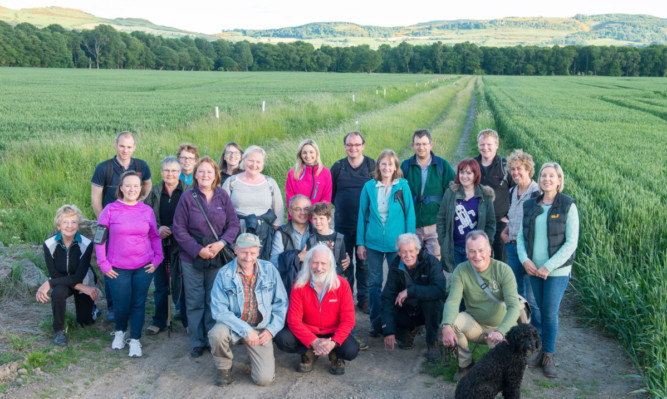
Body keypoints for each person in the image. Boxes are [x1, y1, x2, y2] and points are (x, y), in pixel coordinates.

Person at [173, 156, 241, 358]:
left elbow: (234, 224)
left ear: (215, 175)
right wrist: (197, 250)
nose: (205, 175)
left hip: (217, 255)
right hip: (191, 256)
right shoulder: (187, 197)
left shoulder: (222, 196)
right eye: (201, 171)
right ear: (195, 175)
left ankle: (213, 338)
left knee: (214, 300)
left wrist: (221, 243)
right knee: (194, 300)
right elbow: (179, 229)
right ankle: (196, 341)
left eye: (209, 172)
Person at [517, 162, 579, 378]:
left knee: (550, 313)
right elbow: (521, 237)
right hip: (534, 269)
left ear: (559, 180)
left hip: (557, 271)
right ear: (540, 179)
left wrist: (548, 266)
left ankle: (549, 356)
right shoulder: (530, 205)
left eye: (552, 176)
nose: (547, 179)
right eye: (544, 175)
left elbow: (571, 243)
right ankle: (540, 351)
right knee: (538, 310)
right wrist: (525, 260)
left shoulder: (568, 205)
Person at [95, 171, 163, 358]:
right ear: (121, 188)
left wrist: (157, 259)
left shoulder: (146, 211)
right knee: (121, 303)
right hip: (117, 267)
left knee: (138, 303)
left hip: (143, 266)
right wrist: (104, 264)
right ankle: (119, 332)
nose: (132, 189)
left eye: (136, 185)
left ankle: (135, 339)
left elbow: (155, 237)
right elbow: (99, 239)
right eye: (128, 185)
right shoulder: (110, 209)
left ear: (141, 189)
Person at [209, 233, 288, 386]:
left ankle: (254, 354)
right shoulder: (224, 274)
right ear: (236, 250)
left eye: (252, 253)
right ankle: (224, 367)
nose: (248, 257)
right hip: (233, 326)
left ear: (258, 252)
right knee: (217, 333)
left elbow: (281, 304)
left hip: (260, 329)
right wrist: (246, 330)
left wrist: (271, 330)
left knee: (263, 380)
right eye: (244, 252)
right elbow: (219, 310)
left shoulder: (269, 270)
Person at [441, 231, 519, 382]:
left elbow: (514, 307)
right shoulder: (461, 270)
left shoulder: (503, 270)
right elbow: (452, 301)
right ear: (466, 252)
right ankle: (466, 365)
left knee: (502, 374)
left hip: (500, 329)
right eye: (472, 251)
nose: (477, 256)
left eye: (481, 250)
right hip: (475, 325)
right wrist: (446, 325)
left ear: (489, 250)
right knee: (453, 322)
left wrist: (500, 332)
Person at [90, 131, 152, 321]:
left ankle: (133, 305)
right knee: (111, 267)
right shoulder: (104, 168)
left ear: (134, 147)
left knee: (135, 265)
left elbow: (148, 184)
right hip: (112, 227)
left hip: (135, 227)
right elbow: (95, 197)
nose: (125, 150)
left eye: (129, 146)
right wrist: (104, 222)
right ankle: (113, 307)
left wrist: (140, 200)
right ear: (115, 145)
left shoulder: (141, 166)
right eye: (122, 146)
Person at [356, 149, 416, 336]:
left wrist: (409, 244)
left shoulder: (403, 186)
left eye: (390, 164)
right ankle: (376, 321)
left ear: (395, 167)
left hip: (396, 244)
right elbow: (362, 215)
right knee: (374, 283)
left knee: (397, 282)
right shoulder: (369, 187)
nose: (386, 167)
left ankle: (396, 321)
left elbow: (410, 216)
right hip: (373, 242)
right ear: (378, 166)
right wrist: (360, 243)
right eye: (383, 164)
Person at [275, 244, 359, 375]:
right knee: (283, 338)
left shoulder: (342, 285)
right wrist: (313, 341)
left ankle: (335, 354)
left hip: (333, 332)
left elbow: (348, 321)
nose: (318, 268)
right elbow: (293, 321)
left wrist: (333, 342)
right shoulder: (299, 285)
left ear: (331, 265)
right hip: (309, 331)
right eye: (314, 263)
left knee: (351, 350)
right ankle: (308, 352)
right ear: (308, 263)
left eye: (323, 263)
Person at [375, 233, 446, 362]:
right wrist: (389, 331)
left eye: (411, 251)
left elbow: (440, 290)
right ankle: (408, 331)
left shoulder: (432, 262)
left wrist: (410, 291)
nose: (408, 256)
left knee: (432, 302)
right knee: (380, 325)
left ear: (418, 250)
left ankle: (432, 341)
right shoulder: (395, 266)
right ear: (398, 252)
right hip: (408, 309)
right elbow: (388, 298)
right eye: (403, 252)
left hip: (428, 310)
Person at [38, 205, 98, 346]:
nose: (69, 226)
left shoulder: (86, 243)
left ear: (78, 225)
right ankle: (58, 330)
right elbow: (54, 273)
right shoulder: (49, 244)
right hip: (63, 281)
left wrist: (49, 283)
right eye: (65, 222)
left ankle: (93, 310)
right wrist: (82, 288)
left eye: (73, 222)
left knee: (85, 322)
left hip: (83, 279)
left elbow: (79, 275)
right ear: (59, 225)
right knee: (57, 293)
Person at [143, 156, 188, 335]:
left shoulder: (188, 191)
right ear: (161, 172)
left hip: (182, 244)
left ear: (180, 173)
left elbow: (192, 217)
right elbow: (146, 218)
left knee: (183, 283)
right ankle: (160, 320)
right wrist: (158, 229)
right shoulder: (154, 192)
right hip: (158, 244)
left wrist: (173, 228)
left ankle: (186, 320)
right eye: (167, 170)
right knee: (161, 284)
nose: (170, 174)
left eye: (174, 171)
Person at [500, 149, 541, 331]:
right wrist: (506, 231)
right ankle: (523, 331)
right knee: (518, 294)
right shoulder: (512, 191)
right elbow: (513, 217)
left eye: (519, 169)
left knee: (533, 298)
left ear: (528, 169)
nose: (515, 173)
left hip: (531, 252)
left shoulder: (537, 193)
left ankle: (538, 334)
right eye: (513, 169)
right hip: (512, 247)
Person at [400, 129, 455, 260]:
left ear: (431, 145)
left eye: (424, 144)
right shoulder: (406, 166)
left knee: (435, 263)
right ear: (412, 146)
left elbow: (452, 191)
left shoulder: (442, 165)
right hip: (413, 224)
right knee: (413, 262)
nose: (421, 147)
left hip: (435, 224)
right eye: (418, 144)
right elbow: (398, 193)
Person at [222, 145, 283, 260]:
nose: (254, 165)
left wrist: (273, 231)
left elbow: (278, 211)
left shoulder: (270, 183)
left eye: (258, 162)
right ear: (243, 160)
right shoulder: (231, 182)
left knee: (261, 265)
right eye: (251, 161)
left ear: (263, 164)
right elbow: (222, 209)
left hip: (263, 233)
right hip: (237, 232)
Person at [436, 158, 496, 273]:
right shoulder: (451, 193)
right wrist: (443, 241)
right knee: (458, 281)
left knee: (474, 283)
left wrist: (485, 244)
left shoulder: (485, 195)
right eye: (462, 172)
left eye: (469, 173)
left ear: (476, 174)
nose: (464, 176)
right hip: (455, 248)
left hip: (475, 251)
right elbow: (441, 219)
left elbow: (491, 223)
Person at [474, 129, 513, 263]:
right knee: (481, 257)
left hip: (500, 221)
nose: (485, 148)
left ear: (496, 144)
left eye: (489, 144)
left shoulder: (506, 166)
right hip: (478, 220)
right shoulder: (473, 165)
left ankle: (501, 283)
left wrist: (508, 217)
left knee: (501, 258)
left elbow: (517, 191)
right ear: (478, 145)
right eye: (482, 144)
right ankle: (483, 283)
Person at [269, 195, 314, 269]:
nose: (302, 212)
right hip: (289, 278)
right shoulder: (281, 233)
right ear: (290, 211)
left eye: (306, 209)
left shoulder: (316, 231)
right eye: (297, 209)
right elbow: (274, 262)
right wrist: (297, 258)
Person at [285, 139, 332, 207]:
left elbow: (326, 199)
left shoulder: (326, 173)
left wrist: (317, 215)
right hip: (299, 215)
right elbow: (290, 199)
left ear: (316, 153)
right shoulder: (292, 173)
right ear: (300, 155)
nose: (308, 156)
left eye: (311, 152)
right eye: (304, 152)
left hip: (317, 215)